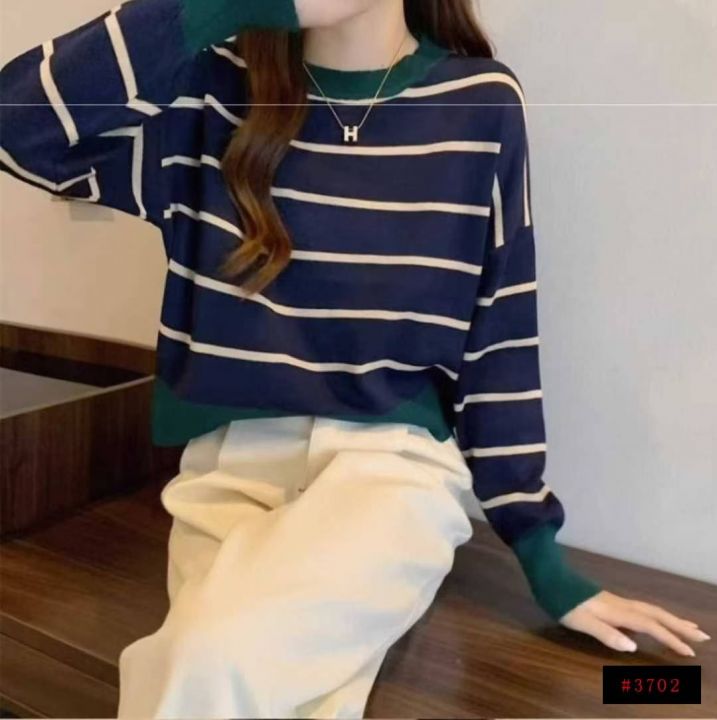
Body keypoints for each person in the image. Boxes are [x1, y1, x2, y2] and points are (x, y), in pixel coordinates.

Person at [0, 0, 709, 717]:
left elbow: (499, 337)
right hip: (227, 475)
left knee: (207, 666)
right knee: (243, 682)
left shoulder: (478, 103)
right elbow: (16, 123)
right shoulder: (208, 94)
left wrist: (542, 559)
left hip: (391, 472)